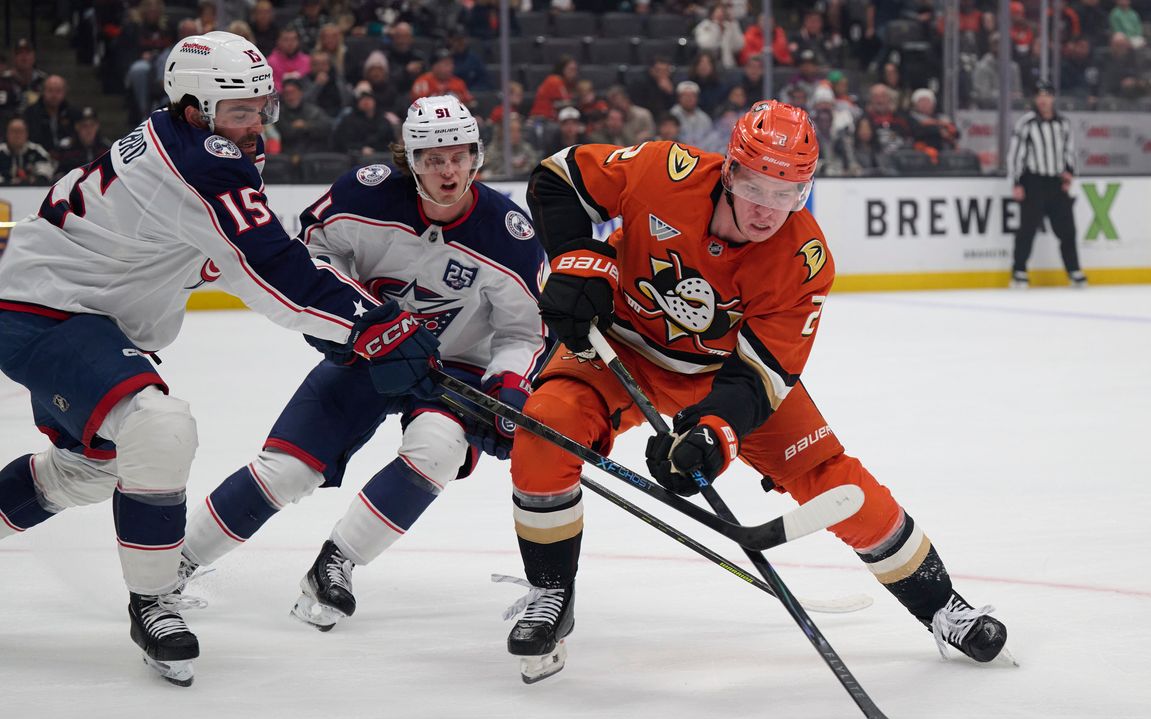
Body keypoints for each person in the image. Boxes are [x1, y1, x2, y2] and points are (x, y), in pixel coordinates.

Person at [504, 99, 1010, 683]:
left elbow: (761, 375)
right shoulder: (660, 171)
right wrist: (576, 258)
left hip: (726, 375)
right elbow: (557, 176)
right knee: (546, 430)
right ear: (729, 170)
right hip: (623, 349)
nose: (770, 209)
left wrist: (713, 437)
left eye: (788, 192)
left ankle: (943, 605)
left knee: (838, 481)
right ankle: (550, 595)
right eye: (758, 186)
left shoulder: (804, 259)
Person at [0, 31, 437, 688]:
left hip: (75, 312)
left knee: (92, 469)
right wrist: (366, 324)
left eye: (261, 106)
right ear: (194, 109)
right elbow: (272, 271)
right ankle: (153, 602)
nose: (255, 123)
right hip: (48, 310)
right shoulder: (202, 161)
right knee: (159, 426)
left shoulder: (185, 146)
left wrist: (342, 317)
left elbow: (243, 266)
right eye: (238, 111)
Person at [183, 95, 544, 632]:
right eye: (432, 158)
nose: (448, 170)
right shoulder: (364, 193)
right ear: (409, 160)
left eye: (460, 155)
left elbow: (522, 331)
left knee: (439, 449)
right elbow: (313, 253)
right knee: (287, 470)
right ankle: (173, 566)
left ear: (476, 156)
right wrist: (344, 323)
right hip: (369, 349)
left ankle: (337, 563)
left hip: (453, 371)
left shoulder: (508, 234)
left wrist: (508, 388)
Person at [1008, 81, 1086, 288]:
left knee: (1067, 230)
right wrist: (1017, 182)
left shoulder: (1063, 123)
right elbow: (1016, 155)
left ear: (1053, 98)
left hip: (1056, 182)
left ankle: (1074, 270)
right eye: (1039, 95)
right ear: (1035, 99)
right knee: (1027, 229)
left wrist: (1070, 173)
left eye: (1047, 95)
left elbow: (1069, 150)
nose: (1043, 99)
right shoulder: (1027, 123)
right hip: (1034, 181)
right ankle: (1019, 271)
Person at [0, 117, 56, 185]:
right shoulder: (1, 151)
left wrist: (35, 180)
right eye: (13, 131)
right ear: (7, 133)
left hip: (32, 190)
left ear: (26, 134)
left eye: (20, 131)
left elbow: (46, 170)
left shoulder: (36, 150)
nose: (17, 135)